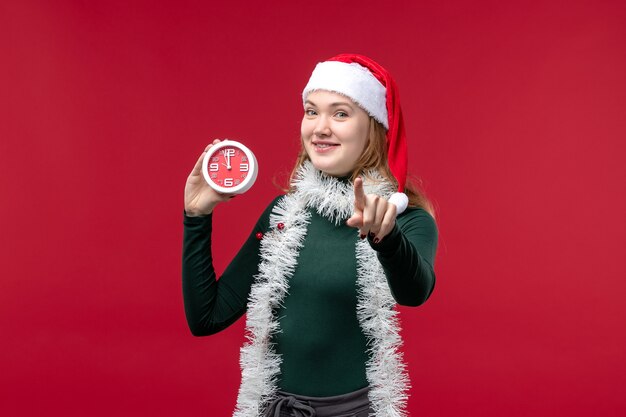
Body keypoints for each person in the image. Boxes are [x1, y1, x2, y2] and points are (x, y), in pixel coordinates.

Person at [182, 54, 438, 417]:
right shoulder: (283, 214)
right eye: (311, 111)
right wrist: (197, 217)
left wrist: (388, 237)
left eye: (340, 113)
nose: (319, 128)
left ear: (375, 127)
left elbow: (415, 293)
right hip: (273, 408)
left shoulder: (404, 218)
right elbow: (206, 317)